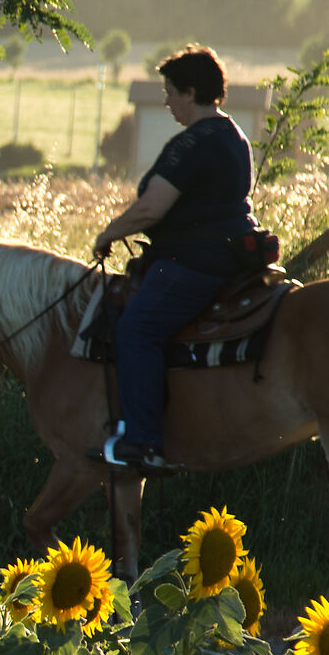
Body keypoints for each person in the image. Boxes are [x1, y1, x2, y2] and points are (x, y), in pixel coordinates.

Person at [87, 45, 258, 474]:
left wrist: (109, 233)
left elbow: (151, 209)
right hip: (233, 256)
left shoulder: (191, 143)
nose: (166, 101)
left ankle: (143, 442)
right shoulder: (234, 135)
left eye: (170, 92)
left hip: (193, 262)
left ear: (191, 92)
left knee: (136, 330)